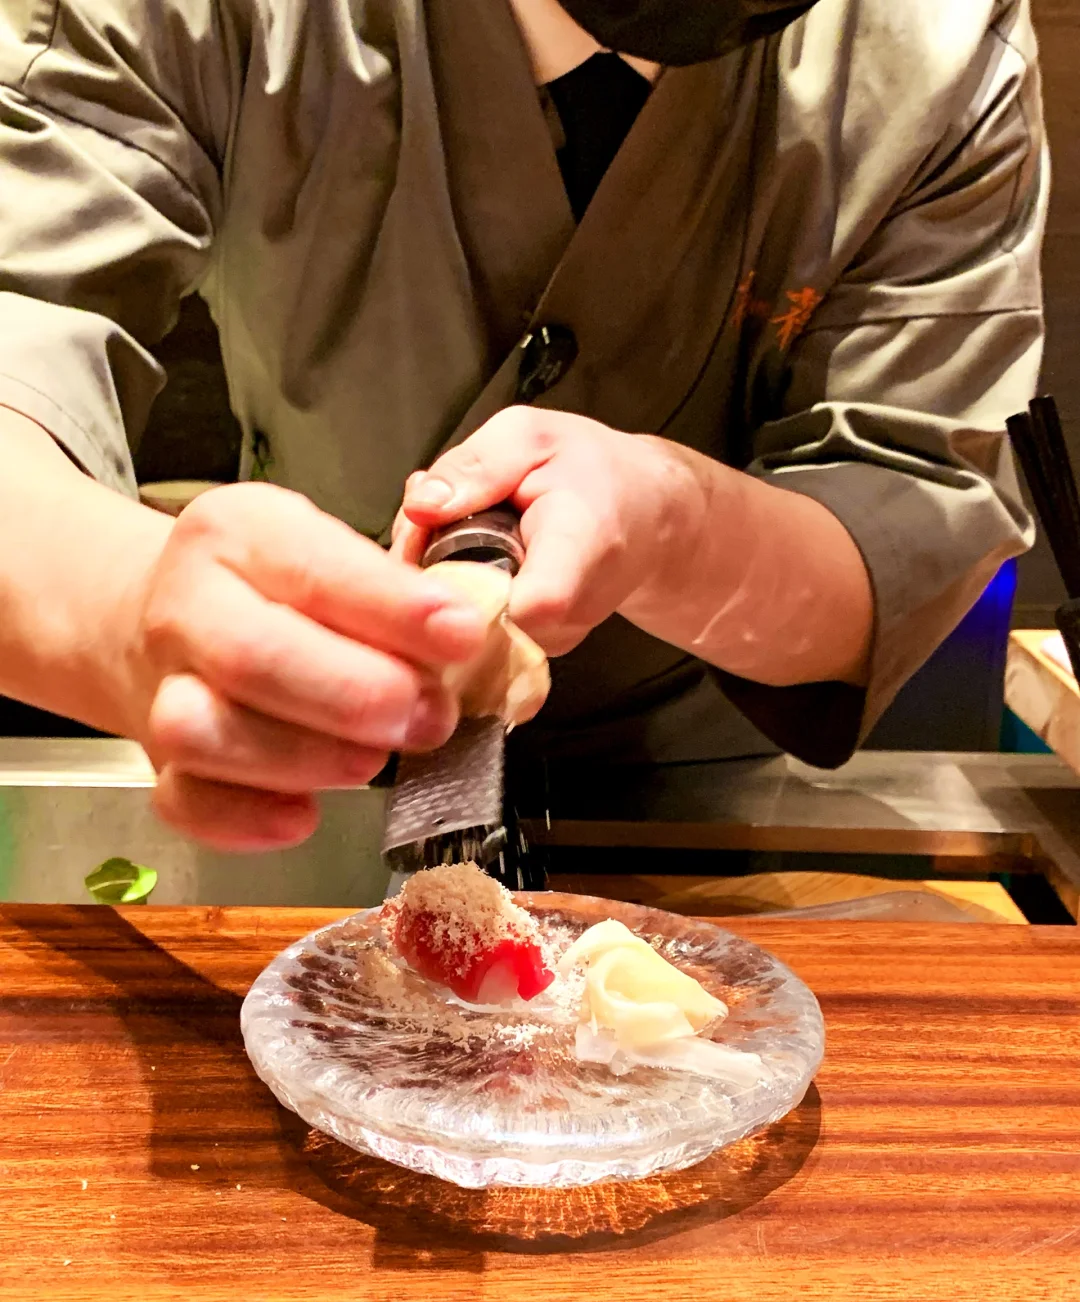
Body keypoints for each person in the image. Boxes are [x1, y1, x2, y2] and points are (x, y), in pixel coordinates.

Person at [0, 0, 1045, 851]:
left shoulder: (943, 43)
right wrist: (134, 610)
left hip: (701, 810)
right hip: (308, 789)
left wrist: (676, 525)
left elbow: (901, 512)